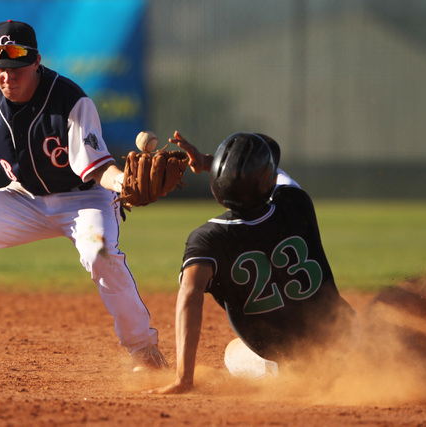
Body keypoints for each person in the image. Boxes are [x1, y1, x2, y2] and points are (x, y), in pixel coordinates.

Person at [0, 20, 167, 372]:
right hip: (24, 197)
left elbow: (98, 167)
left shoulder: (70, 100)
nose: (7, 76)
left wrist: (124, 184)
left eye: (16, 67)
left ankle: (144, 350)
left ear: (36, 61)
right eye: (0, 67)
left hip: (83, 198)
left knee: (100, 253)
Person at [149, 131, 356, 394]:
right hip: (346, 340)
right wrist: (209, 161)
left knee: (232, 351)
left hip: (295, 365)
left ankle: (286, 379)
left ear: (216, 184)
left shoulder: (207, 239)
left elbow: (190, 295)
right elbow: (271, 176)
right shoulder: (296, 202)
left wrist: (183, 379)